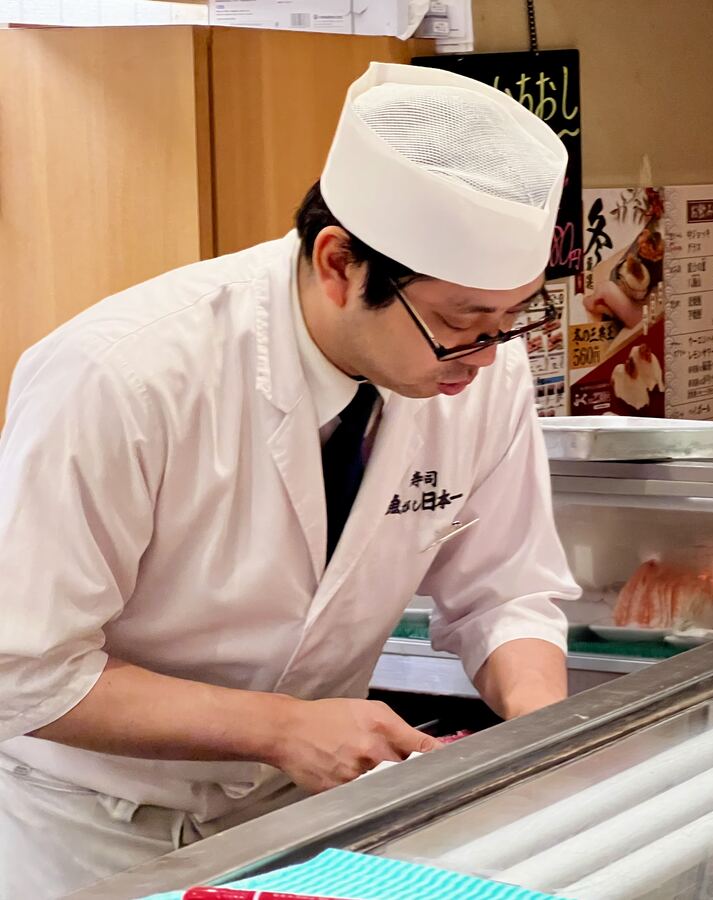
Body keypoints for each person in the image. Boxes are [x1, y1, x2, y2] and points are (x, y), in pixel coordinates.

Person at [0, 62, 580, 896]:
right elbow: (23, 671)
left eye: (509, 318)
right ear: (339, 263)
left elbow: (505, 592)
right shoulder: (122, 374)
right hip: (90, 831)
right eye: (461, 322)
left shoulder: (479, 369)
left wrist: (542, 728)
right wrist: (279, 729)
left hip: (305, 825)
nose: (487, 358)